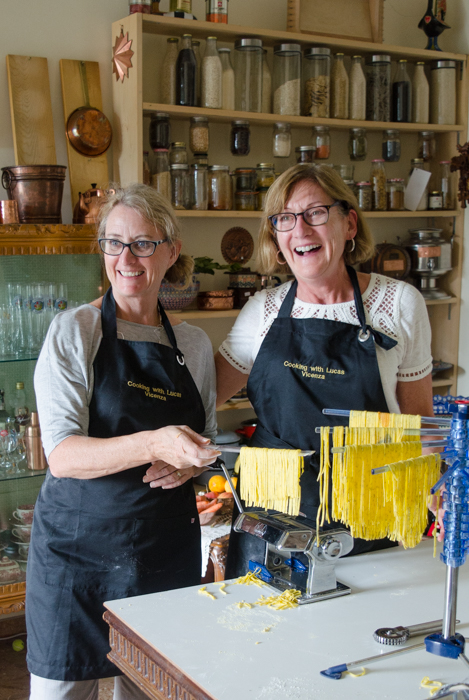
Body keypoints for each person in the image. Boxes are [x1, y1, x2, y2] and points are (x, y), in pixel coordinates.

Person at [26, 184, 220, 700]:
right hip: (76, 555)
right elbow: (63, 456)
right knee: (61, 691)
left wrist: (189, 466)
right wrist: (156, 442)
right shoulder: (76, 330)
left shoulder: (195, 345)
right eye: (114, 243)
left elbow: (205, 438)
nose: (126, 258)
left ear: (171, 251)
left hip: (161, 549)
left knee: (149, 690)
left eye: (142, 243)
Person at [214, 163, 434, 577]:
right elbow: (206, 398)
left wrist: (437, 489)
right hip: (274, 510)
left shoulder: (400, 303)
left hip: (369, 508)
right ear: (276, 237)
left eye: (316, 213)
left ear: (349, 223)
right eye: (285, 218)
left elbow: (418, 422)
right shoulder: (261, 310)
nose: (301, 230)